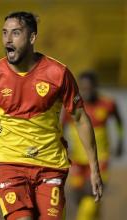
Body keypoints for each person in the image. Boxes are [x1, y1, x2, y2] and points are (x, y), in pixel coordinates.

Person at [0, 11, 103, 220]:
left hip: (50, 166)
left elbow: (81, 118)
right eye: (4, 33)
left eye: (16, 33)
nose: (8, 39)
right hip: (8, 164)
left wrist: (94, 169)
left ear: (32, 38)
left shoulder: (58, 74)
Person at [64, 71, 124, 220]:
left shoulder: (108, 104)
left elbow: (119, 122)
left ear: (95, 87)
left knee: (91, 198)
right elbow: (60, 127)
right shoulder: (71, 107)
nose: (86, 91)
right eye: (83, 88)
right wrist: (63, 146)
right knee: (80, 198)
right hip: (77, 159)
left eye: (89, 88)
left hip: (100, 159)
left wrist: (120, 142)